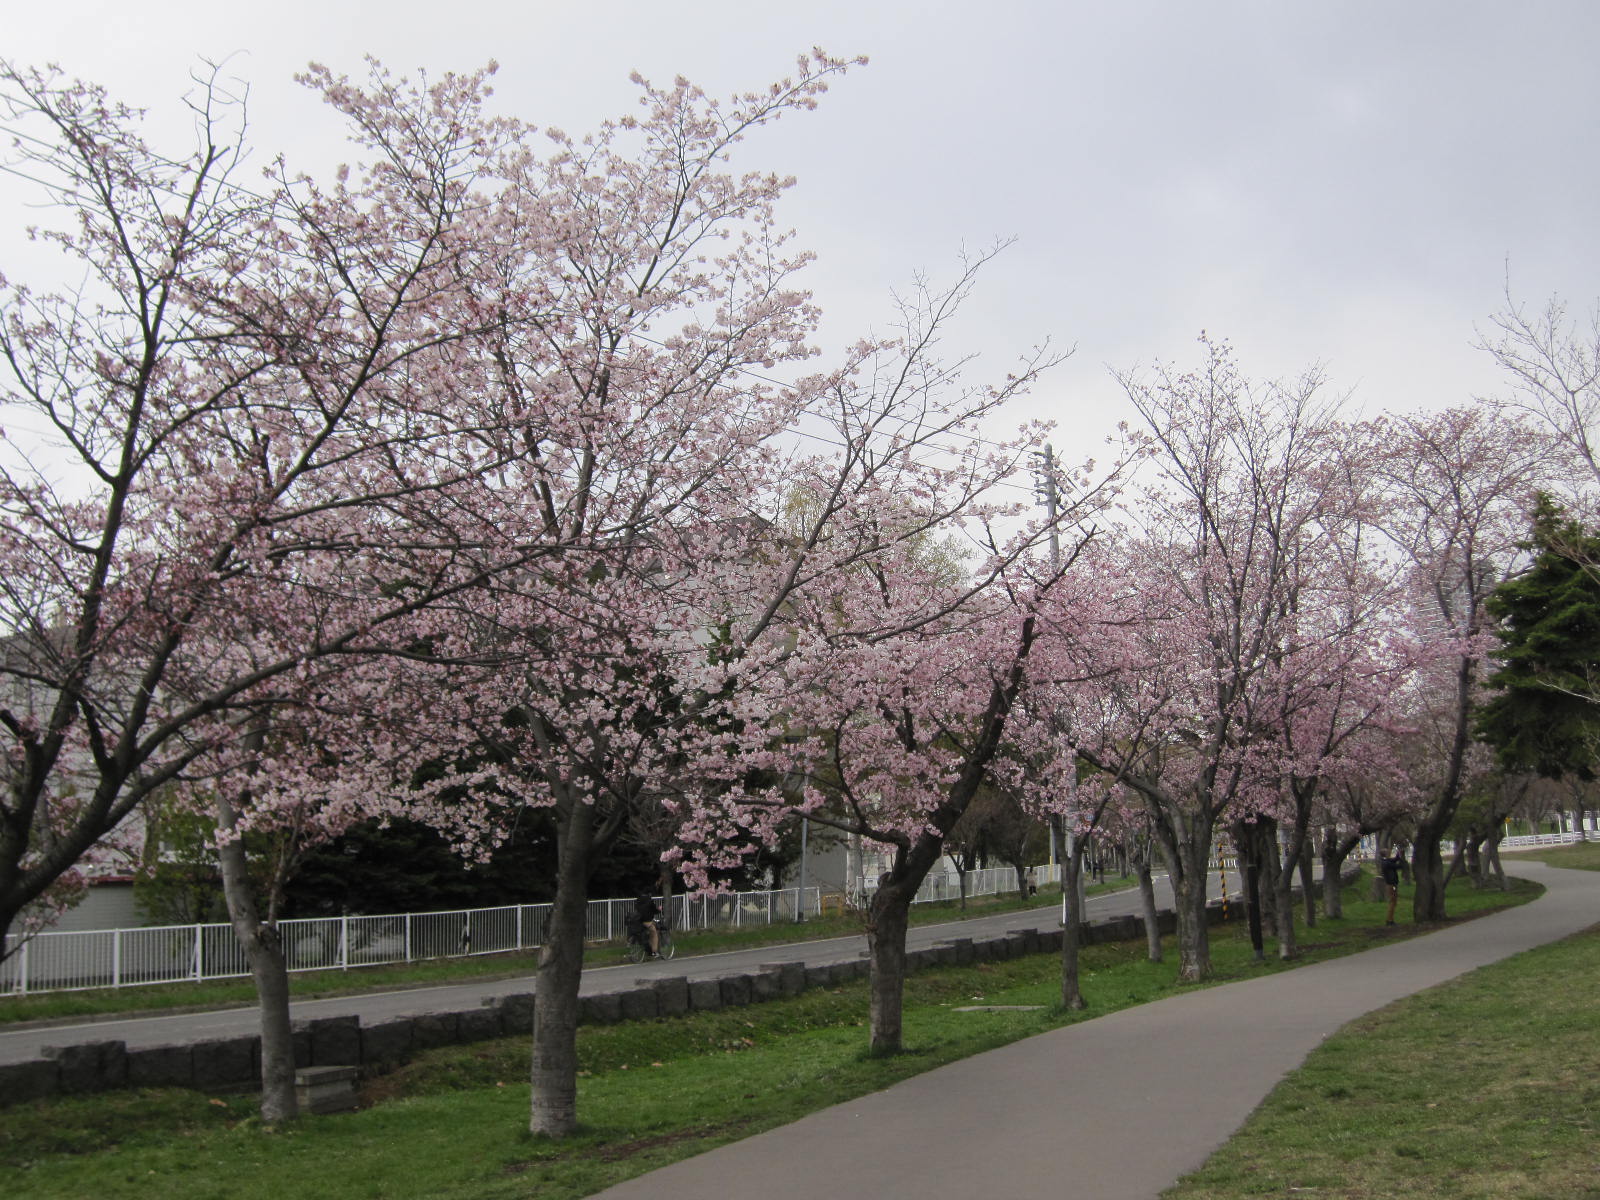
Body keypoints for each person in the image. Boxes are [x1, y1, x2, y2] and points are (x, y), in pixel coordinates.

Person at [1380, 843, 1405, 925]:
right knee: (1393, 902)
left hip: (1391, 884)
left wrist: (1399, 853)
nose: (1389, 853)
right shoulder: (1387, 863)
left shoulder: (1385, 861)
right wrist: (1402, 859)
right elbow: (1399, 866)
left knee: (1393, 902)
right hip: (1392, 885)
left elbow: (1395, 859)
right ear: (1385, 854)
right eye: (1388, 852)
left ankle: (1390, 919)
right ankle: (1389, 920)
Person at [633, 893, 662, 958]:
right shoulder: (650, 901)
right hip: (647, 921)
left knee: (649, 932)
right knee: (654, 933)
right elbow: (654, 910)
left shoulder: (639, 900)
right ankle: (654, 952)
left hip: (639, 920)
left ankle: (649, 947)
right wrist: (659, 909)